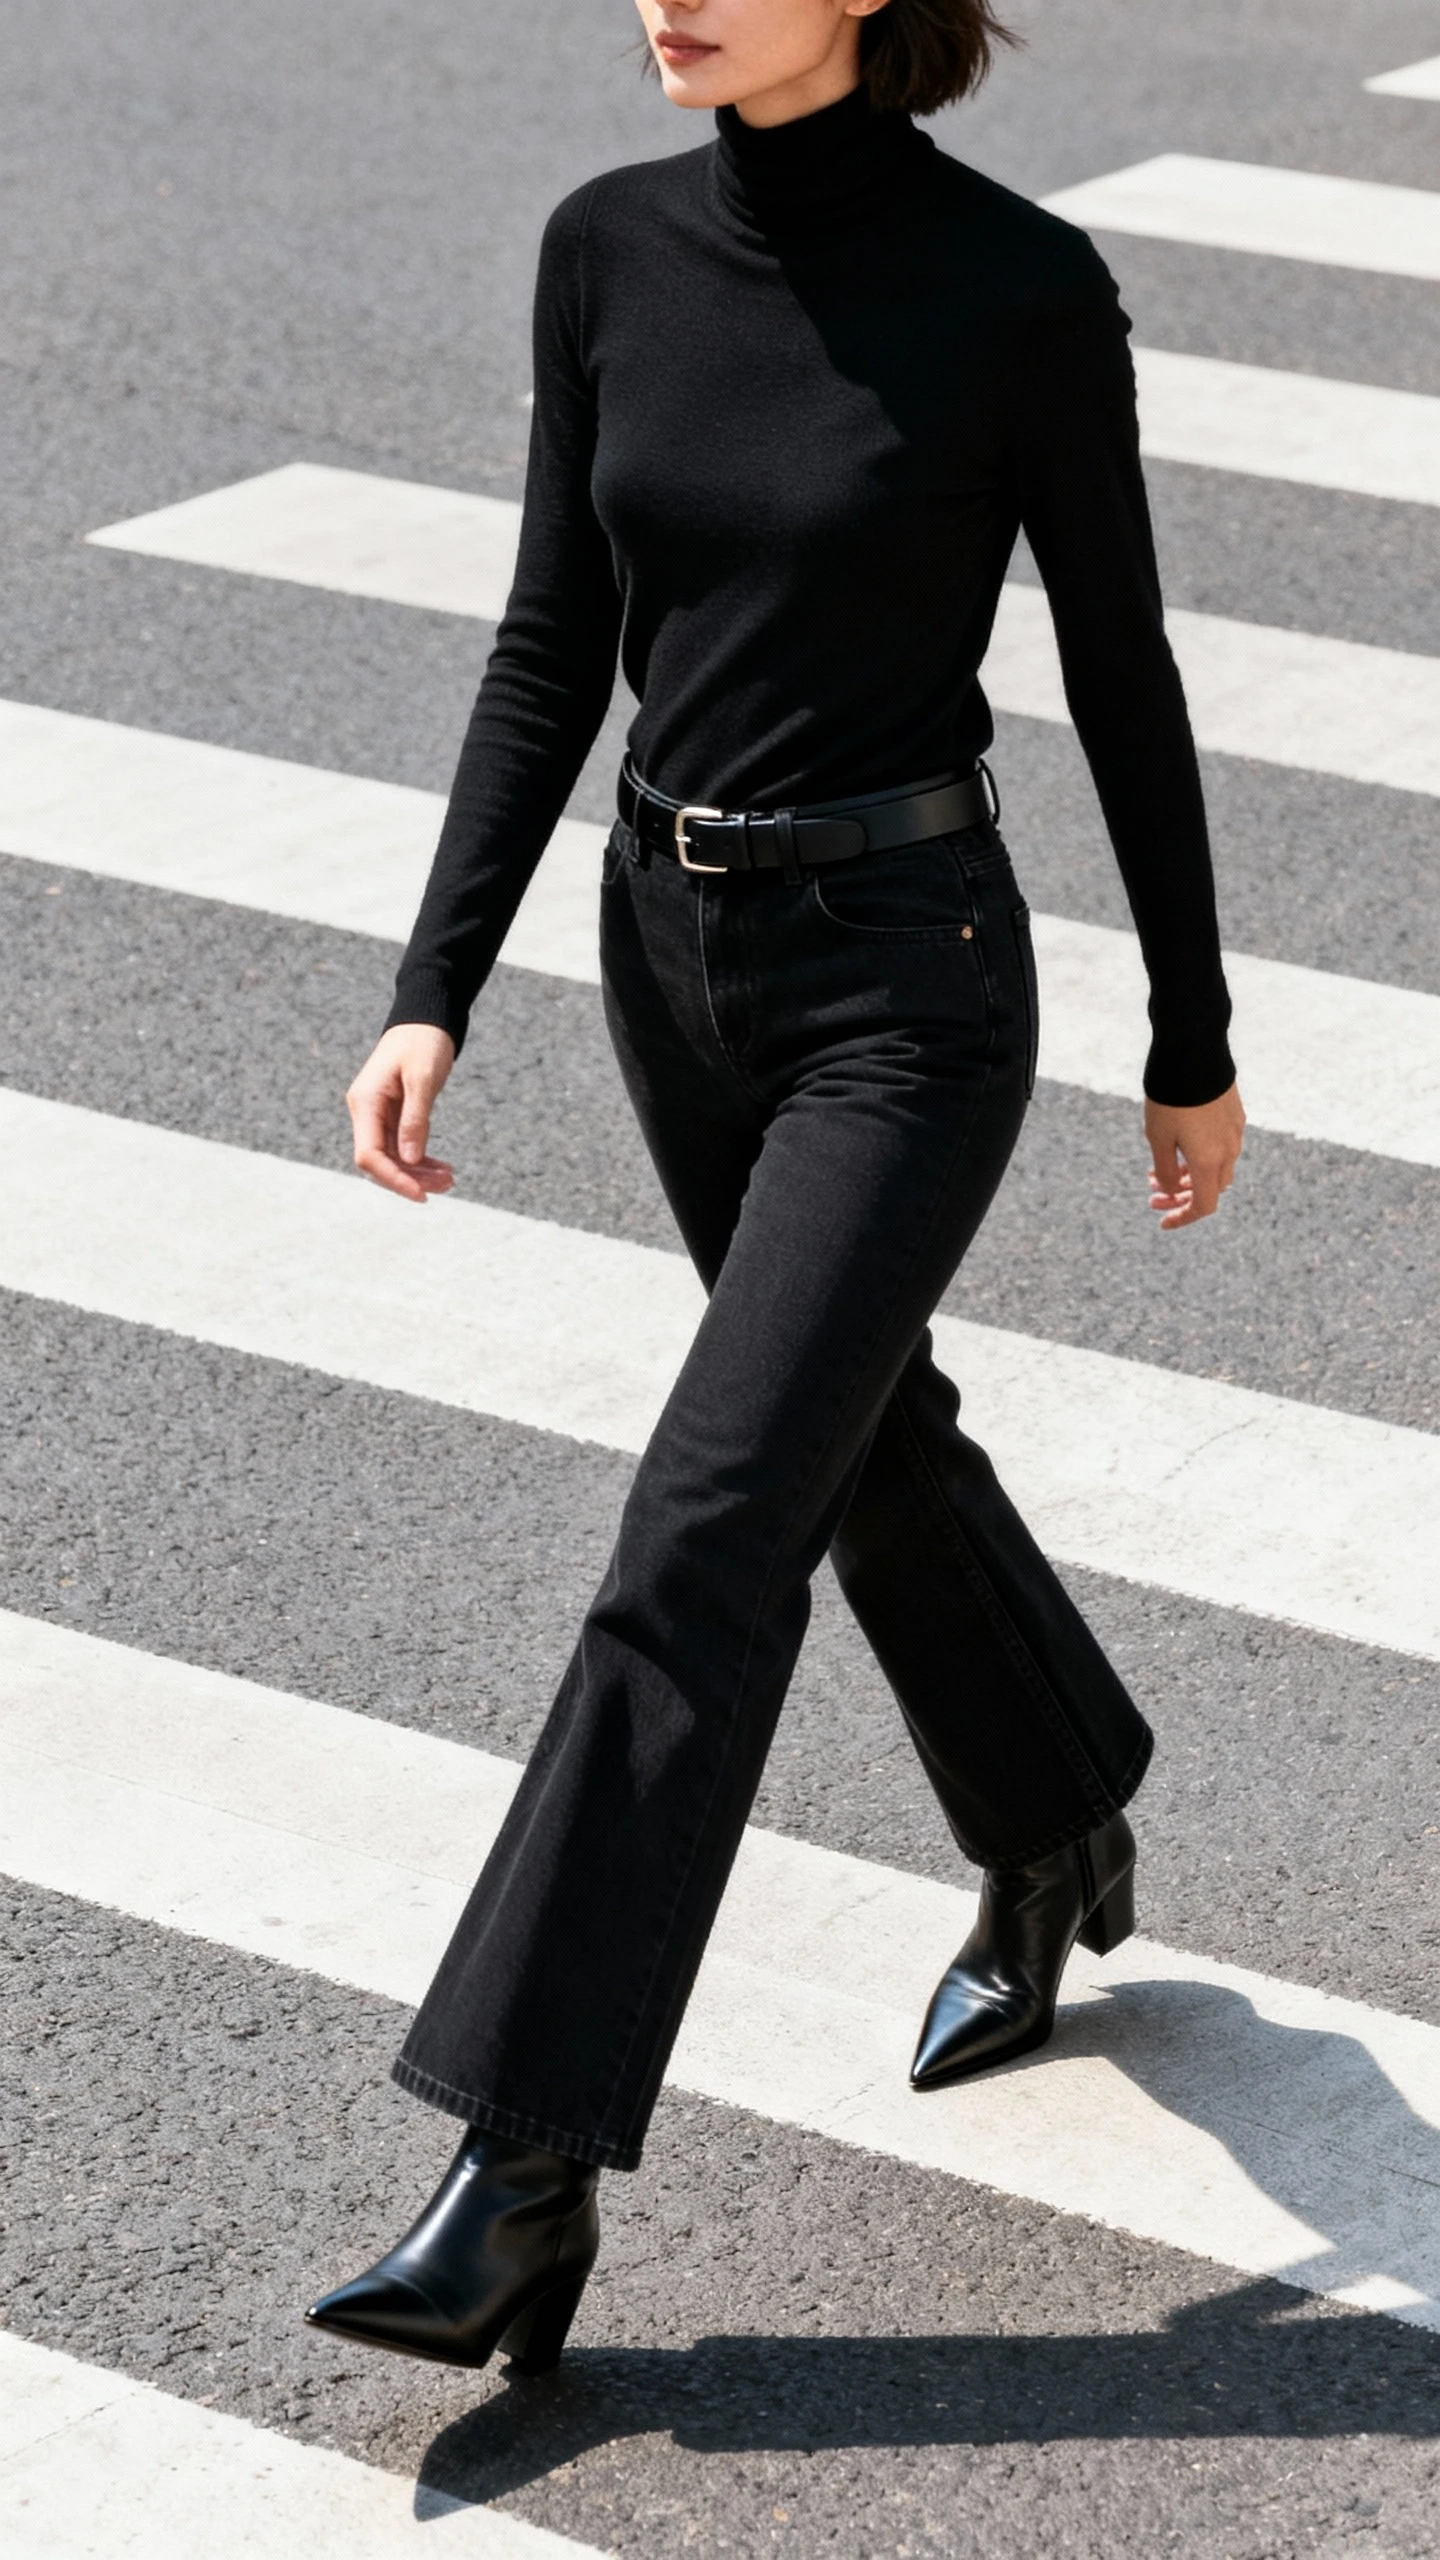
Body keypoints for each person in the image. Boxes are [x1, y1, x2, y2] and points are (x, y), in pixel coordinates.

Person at [307, 0, 1246, 2376]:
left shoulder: (1017, 290)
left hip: (906, 993)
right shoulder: (607, 249)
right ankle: (1058, 1809)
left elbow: (1122, 667)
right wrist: (437, 982)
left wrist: (1193, 1036)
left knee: (704, 1530)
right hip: (673, 955)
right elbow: (553, 639)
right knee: (849, 1444)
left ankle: (520, 2173)